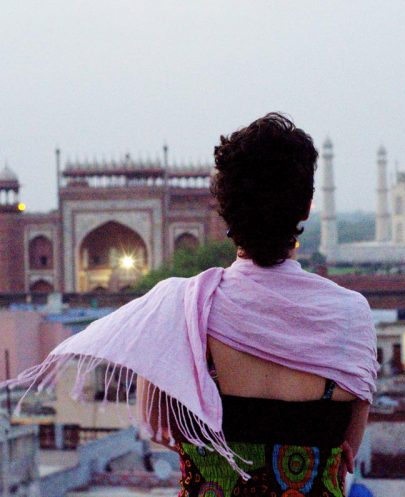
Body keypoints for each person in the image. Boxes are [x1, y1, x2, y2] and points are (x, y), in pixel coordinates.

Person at [5, 113, 378, 497]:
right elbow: (348, 447)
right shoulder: (352, 315)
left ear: (223, 209)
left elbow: (159, 425)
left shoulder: (183, 308)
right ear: (306, 208)